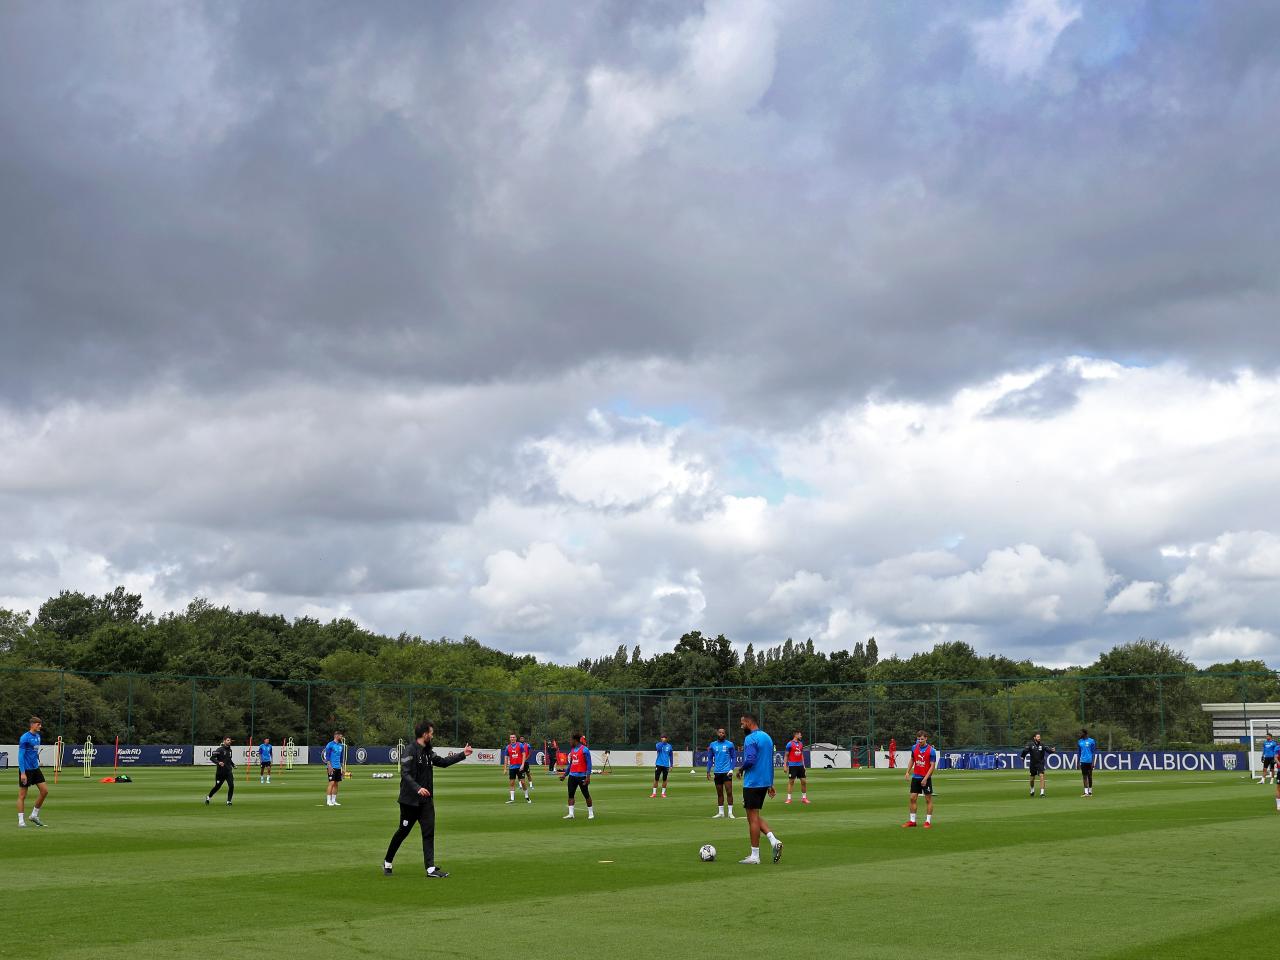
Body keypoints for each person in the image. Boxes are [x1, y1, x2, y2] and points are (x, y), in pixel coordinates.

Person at [383, 720, 472, 878]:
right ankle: (387, 861)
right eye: (431, 732)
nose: (432, 735)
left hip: (426, 802)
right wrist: (418, 788)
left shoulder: (428, 751)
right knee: (402, 832)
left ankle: (430, 868)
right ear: (424, 734)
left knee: (428, 832)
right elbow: (405, 773)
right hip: (409, 801)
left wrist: (462, 755)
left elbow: (443, 762)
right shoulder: (410, 750)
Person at [736, 714, 781, 864]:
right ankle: (773, 840)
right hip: (764, 781)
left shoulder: (750, 738)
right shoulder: (767, 737)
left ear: (749, 722)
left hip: (753, 782)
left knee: (752, 818)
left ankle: (755, 856)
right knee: (753, 815)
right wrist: (770, 783)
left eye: (743, 723)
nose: (741, 726)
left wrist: (741, 769)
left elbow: (751, 759)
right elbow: (769, 761)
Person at [17, 716, 48, 828]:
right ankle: (21, 821)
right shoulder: (24, 738)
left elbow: (33, 753)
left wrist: (37, 762)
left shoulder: (38, 737)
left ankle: (34, 815)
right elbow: (20, 756)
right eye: (38, 724)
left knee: (44, 791)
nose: (40, 726)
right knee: (22, 795)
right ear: (32, 725)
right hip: (26, 770)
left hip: (35, 769)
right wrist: (23, 773)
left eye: (40, 724)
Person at [902, 730, 936, 828]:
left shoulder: (931, 750)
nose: (920, 741)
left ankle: (927, 822)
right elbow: (912, 759)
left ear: (926, 738)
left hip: (926, 778)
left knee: (928, 799)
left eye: (922, 739)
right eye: (918, 739)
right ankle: (912, 821)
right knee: (912, 798)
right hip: (916, 777)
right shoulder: (914, 748)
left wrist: (925, 778)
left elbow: (932, 766)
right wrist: (907, 772)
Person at [559, 734, 594, 820]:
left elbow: (589, 764)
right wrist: (565, 775)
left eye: (571, 740)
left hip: (582, 776)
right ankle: (571, 814)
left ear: (575, 740)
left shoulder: (585, 750)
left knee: (586, 794)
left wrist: (588, 776)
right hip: (572, 776)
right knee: (570, 795)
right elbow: (571, 764)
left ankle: (591, 813)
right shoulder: (572, 750)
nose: (570, 742)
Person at [706, 727, 737, 819]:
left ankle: (730, 813)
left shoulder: (730, 744)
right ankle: (721, 812)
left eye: (723, 733)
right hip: (717, 772)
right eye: (720, 732)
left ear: (725, 734)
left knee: (729, 791)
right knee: (719, 793)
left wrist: (731, 769)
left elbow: (734, 757)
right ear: (717, 733)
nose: (721, 734)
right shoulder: (712, 745)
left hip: (727, 772)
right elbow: (710, 759)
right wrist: (708, 770)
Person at [205, 736, 235, 806]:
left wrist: (233, 765)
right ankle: (208, 797)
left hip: (228, 772)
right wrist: (218, 762)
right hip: (220, 773)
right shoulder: (219, 749)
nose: (229, 741)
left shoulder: (230, 750)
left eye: (230, 740)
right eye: (228, 740)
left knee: (231, 786)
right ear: (224, 741)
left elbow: (229, 759)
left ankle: (229, 801)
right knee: (217, 787)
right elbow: (212, 758)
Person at [784, 731, 809, 804]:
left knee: (804, 781)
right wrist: (785, 766)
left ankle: (804, 798)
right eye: (800, 735)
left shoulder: (801, 744)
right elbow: (786, 755)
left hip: (800, 766)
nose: (801, 736)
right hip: (792, 766)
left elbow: (801, 755)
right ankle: (789, 799)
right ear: (796, 735)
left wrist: (804, 765)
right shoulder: (789, 744)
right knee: (791, 782)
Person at [503, 733, 529, 804]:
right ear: (509, 738)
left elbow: (524, 754)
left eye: (513, 737)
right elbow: (505, 758)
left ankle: (527, 796)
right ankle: (512, 798)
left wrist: (523, 764)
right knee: (512, 783)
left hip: (520, 767)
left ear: (516, 738)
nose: (512, 738)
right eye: (511, 737)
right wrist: (505, 768)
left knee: (523, 782)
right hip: (512, 767)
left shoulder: (520, 745)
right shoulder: (507, 747)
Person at [323, 731, 345, 806]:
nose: (341, 737)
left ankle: (334, 800)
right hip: (332, 767)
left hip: (338, 767)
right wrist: (329, 766)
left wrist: (343, 768)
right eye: (340, 736)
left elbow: (341, 757)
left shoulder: (341, 745)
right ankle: (328, 801)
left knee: (336, 784)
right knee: (331, 783)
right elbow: (327, 756)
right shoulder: (330, 744)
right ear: (336, 736)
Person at [1078, 728, 1098, 797]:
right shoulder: (1079, 741)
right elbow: (1079, 752)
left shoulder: (1091, 741)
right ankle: (1086, 792)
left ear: (1084, 733)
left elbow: (1093, 752)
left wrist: (1093, 762)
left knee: (1090, 776)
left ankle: (1090, 791)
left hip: (1089, 761)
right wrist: (1078, 762)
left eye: (1081, 733)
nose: (1079, 734)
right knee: (1084, 776)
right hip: (1083, 761)